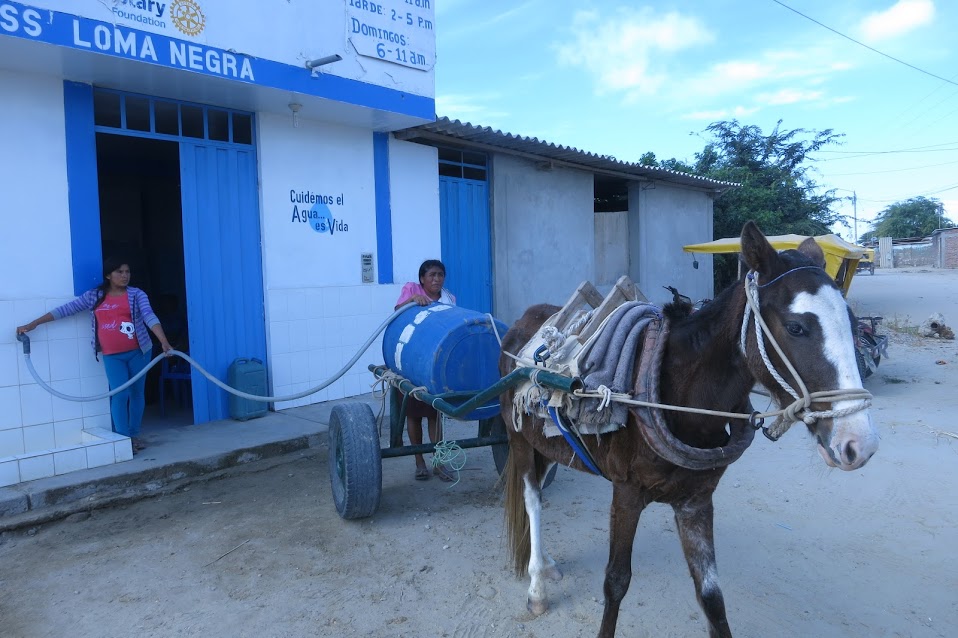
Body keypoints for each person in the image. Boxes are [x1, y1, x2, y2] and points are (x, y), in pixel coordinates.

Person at [17, 257, 172, 453]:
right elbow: (66, 310)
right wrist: (34, 324)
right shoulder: (95, 296)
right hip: (112, 355)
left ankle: (134, 435)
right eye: (119, 272)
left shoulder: (136, 294)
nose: (125, 276)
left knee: (136, 393)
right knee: (119, 394)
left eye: (127, 272)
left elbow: (149, 316)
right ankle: (123, 440)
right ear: (108, 275)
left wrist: (163, 341)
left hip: (139, 352)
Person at [395, 259, 456, 481]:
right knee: (413, 413)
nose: (436, 279)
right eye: (431, 275)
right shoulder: (412, 290)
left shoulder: (449, 300)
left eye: (440, 275)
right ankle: (419, 461)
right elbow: (397, 313)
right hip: (411, 360)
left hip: (434, 364)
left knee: (434, 413)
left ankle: (439, 463)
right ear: (422, 278)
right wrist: (412, 300)